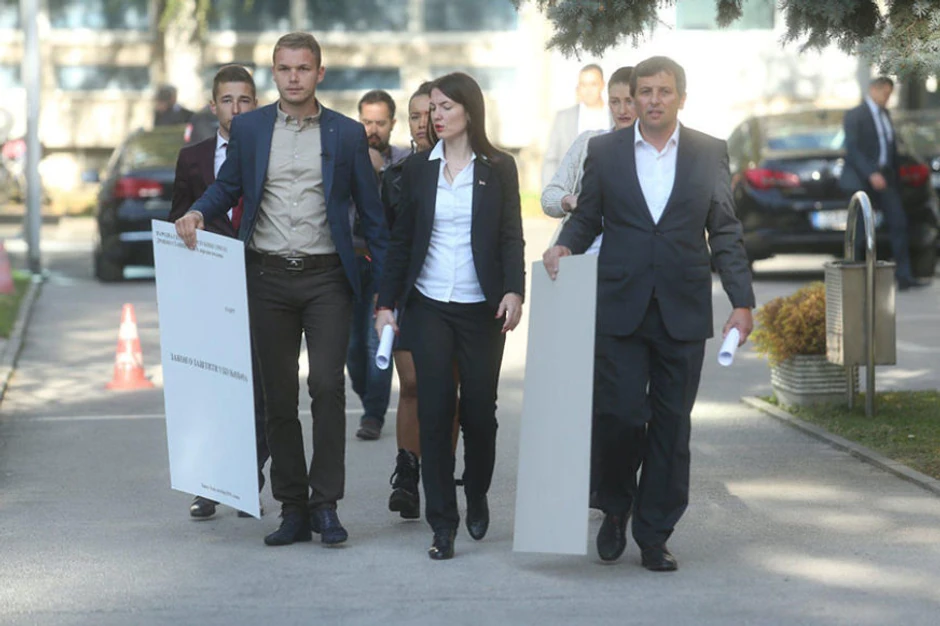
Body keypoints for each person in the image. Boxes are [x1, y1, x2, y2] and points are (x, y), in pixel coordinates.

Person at [175, 32, 389, 548]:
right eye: (285, 69)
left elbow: (373, 217)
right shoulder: (251, 129)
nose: (294, 77)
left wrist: (386, 297)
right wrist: (198, 211)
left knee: (327, 387)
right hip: (267, 277)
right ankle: (292, 507)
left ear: (320, 73)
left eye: (303, 68)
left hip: (327, 278)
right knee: (278, 396)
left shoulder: (346, 134)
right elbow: (228, 186)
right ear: (274, 73)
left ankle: (325, 505)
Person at [543, 56, 755, 572]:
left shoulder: (708, 152)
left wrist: (742, 302)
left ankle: (655, 533)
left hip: (682, 309)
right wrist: (565, 246)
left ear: (681, 97)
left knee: (670, 425)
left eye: (664, 91)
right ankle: (615, 506)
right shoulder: (606, 151)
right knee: (617, 416)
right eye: (645, 91)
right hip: (620, 306)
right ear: (632, 97)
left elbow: (725, 230)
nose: (654, 100)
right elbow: (588, 217)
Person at [375, 72, 525, 560]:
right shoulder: (418, 170)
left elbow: (510, 235)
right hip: (429, 305)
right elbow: (401, 242)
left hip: (482, 308)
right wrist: (385, 304)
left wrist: (514, 290)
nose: (435, 117)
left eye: (445, 107)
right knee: (435, 411)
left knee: (479, 411)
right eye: (431, 109)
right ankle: (442, 523)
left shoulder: (499, 167)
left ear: (469, 111)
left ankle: (476, 489)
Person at [169, 65, 268, 520]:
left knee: (259, 388)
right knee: (211, 386)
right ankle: (208, 483)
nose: (236, 108)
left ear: (256, 104)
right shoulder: (193, 158)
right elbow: (177, 218)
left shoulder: (269, 152)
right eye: (227, 100)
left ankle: (249, 476)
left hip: (262, 282)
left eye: (244, 100)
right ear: (214, 106)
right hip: (210, 288)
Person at [540, 65, 635, 508]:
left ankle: (617, 477)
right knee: (587, 383)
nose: (622, 109)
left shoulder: (654, 154)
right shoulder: (589, 144)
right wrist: (573, 201)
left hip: (629, 280)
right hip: (580, 275)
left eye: (629, 100)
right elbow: (549, 195)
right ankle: (596, 481)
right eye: (615, 101)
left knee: (623, 389)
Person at [379, 81, 461, 521]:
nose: (422, 123)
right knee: (411, 383)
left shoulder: (469, 169)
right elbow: (383, 239)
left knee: (446, 389)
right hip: (408, 294)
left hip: (454, 294)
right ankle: (407, 472)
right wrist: (383, 298)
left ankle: (440, 473)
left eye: (429, 113)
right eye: (413, 115)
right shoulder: (396, 175)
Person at [348, 89, 411, 441]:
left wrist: (382, 170)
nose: (372, 130)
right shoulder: (345, 155)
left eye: (380, 123)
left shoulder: (402, 160)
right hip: (349, 260)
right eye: (366, 122)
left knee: (377, 340)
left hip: (384, 261)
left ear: (392, 124)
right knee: (352, 348)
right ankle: (368, 394)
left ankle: (373, 415)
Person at [840, 76, 922, 290]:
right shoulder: (855, 115)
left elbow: (890, 147)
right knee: (859, 233)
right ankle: (856, 282)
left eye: (890, 94)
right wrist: (871, 173)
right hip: (862, 180)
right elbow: (852, 149)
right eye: (885, 93)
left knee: (899, 223)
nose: (887, 98)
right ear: (873, 90)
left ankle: (904, 276)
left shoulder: (885, 115)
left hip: (886, 179)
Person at [542, 64, 609, 187]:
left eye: (593, 84)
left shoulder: (615, 117)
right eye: (584, 85)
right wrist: (550, 194)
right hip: (571, 194)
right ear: (578, 87)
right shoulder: (563, 118)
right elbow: (551, 160)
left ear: (602, 85)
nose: (588, 90)